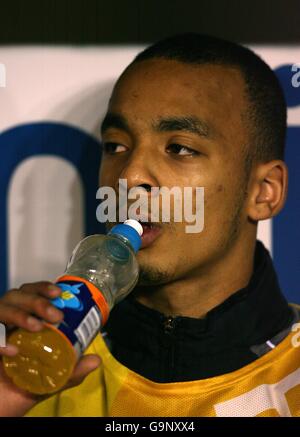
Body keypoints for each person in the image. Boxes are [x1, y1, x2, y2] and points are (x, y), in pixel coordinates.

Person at [0, 33, 299, 417]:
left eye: (179, 148)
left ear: (263, 192)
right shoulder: (36, 367)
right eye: (115, 146)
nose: (130, 175)